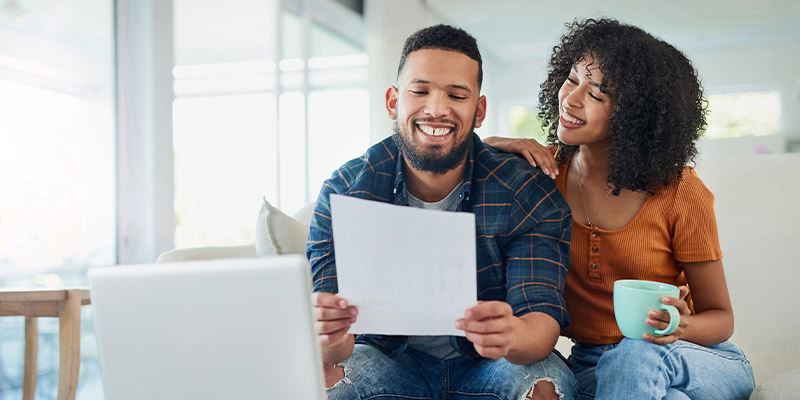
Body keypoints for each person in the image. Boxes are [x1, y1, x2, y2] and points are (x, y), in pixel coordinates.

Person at [485, 18, 755, 400]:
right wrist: (488, 147)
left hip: (693, 357)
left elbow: (721, 319)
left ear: (635, 116)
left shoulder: (680, 192)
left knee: (635, 353)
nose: (572, 98)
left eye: (597, 95)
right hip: (593, 367)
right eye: (572, 78)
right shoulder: (543, 178)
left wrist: (677, 326)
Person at [307, 24, 578, 400]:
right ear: (392, 102)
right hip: (388, 361)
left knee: (544, 383)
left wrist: (511, 334)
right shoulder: (344, 192)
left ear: (479, 110)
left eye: (457, 95)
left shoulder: (524, 191)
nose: (436, 109)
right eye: (419, 91)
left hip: (491, 364)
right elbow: (336, 349)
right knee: (323, 378)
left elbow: (541, 324)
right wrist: (329, 334)